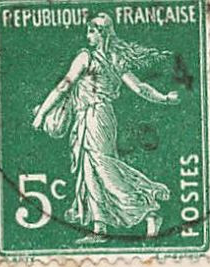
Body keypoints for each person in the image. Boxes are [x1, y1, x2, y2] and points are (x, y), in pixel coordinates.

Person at [30, 13, 180, 241]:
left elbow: (64, 86)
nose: (87, 35)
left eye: (91, 31)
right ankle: (100, 228)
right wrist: (165, 98)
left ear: (102, 34)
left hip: (95, 117)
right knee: (90, 170)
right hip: (92, 117)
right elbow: (140, 88)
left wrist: (42, 114)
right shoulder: (115, 59)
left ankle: (148, 210)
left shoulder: (86, 57)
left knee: (101, 167)